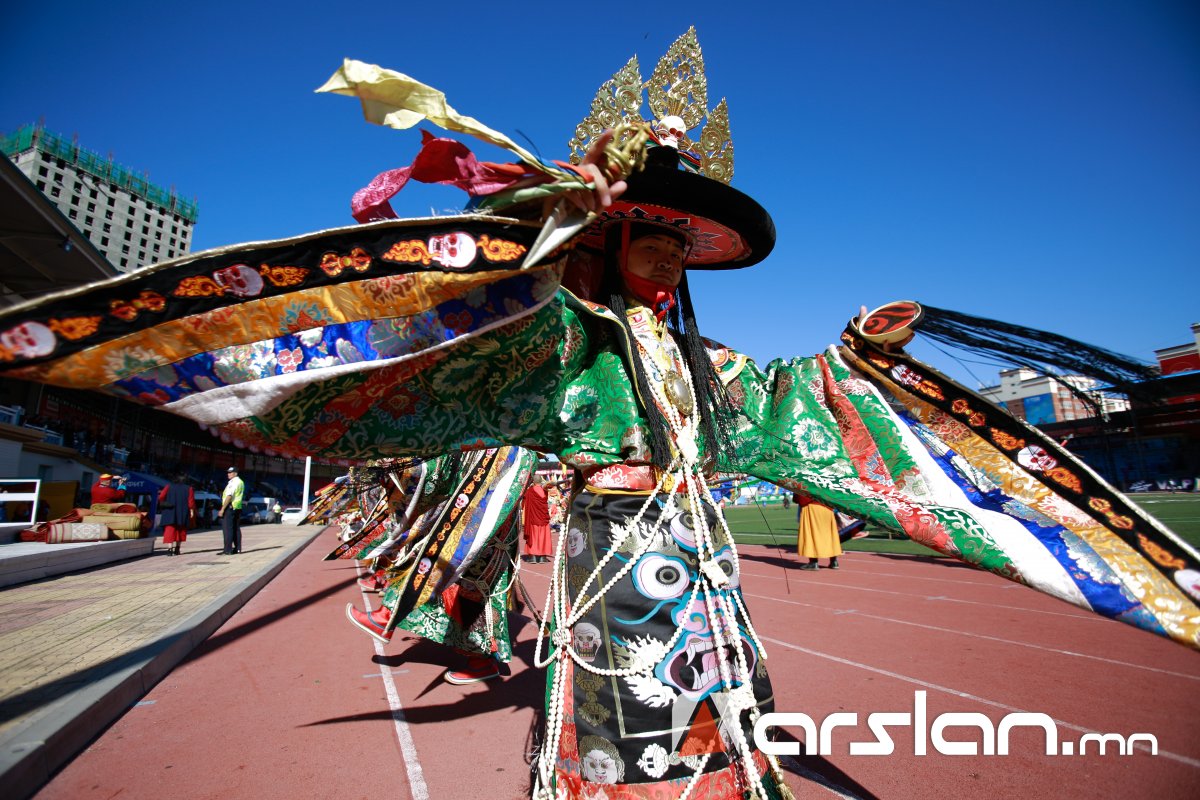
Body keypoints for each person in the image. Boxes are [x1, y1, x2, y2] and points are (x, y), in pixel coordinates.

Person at [0, 30, 1196, 799]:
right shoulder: (562, 340)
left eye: (681, 244)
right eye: (648, 236)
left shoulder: (706, 363)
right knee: (626, 727)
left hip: (703, 570)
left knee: (723, 719)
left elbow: (793, 407)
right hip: (612, 564)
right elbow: (458, 333)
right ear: (610, 239)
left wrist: (859, 354)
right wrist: (539, 237)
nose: (667, 258)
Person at [343, 448, 537, 685]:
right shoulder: (488, 446)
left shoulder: (514, 452)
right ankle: (386, 618)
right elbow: (444, 473)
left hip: (481, 537)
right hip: (464, 528)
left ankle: (481, 661)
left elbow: (445, 474)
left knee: (465, 594)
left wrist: (406, 469)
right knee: (427, 569)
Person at [794, 493, 841, 570]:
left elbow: (798, 495)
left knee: (811, 533)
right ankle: (834, 561)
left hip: (812, 507)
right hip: (828, 507)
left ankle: (813, 562)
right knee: (830, 534)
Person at [158, 473, 196, 556]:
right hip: (183, 512)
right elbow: (191, 502)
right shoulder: (189, 488)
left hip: (170, 511)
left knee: (170, 530)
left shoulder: (168, 486)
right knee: (181, 530)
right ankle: (177, 549)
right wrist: (191, 511)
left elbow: (161, 497)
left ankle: (169, 549)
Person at [521, 476, 552, 564]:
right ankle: (542, 557)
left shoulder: (529, 491)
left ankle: (533, 557)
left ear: (533, 482)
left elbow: (524, 503)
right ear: (541, 481)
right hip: (543, 518)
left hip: (533, 518)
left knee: (533, 536)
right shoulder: (544, 491)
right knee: (543, 536)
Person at [219, 466, 244, 555]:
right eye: (228, 472)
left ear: (235, 473)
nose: (228, 474)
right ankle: (238, 548)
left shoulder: (233, 482)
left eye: (230, 472)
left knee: (227, 529)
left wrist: (222, 509)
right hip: (237, 507)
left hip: (230, 507)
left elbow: (229, 496)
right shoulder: (241, 482)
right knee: (236, 528)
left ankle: (227, 550)